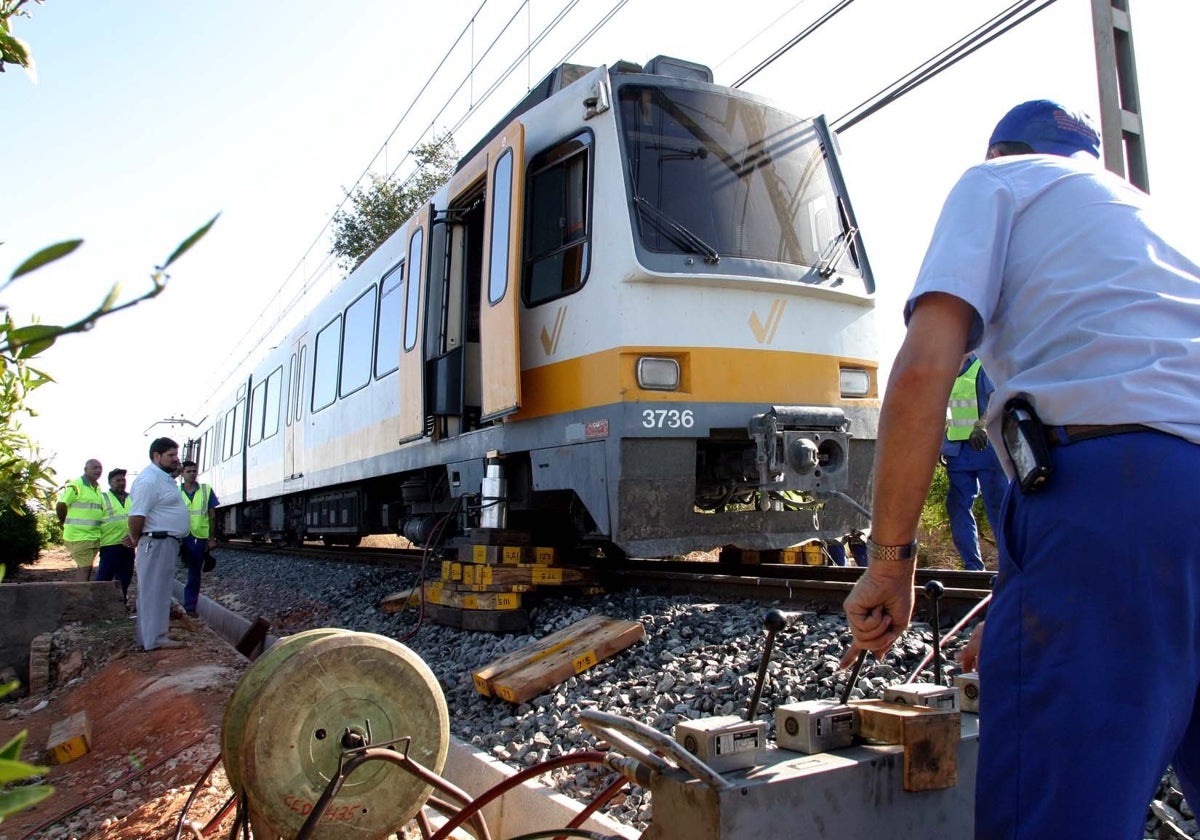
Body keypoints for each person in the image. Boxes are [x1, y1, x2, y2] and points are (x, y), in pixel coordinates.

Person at [839, 99, 1200, 839]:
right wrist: (1016, 601)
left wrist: (890, 561)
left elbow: (921, 376)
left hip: (1120, 498)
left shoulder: (999, 183)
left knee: (1059, 817)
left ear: (1002, 149)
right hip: (1153, 495)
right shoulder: (1154, 220)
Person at [942, 353, 1007, 570]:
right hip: (958, 451)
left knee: (998, 507)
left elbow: (997, 395)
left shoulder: (982, 365)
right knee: (957, 506)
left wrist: (983, 425)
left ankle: (1011, 564)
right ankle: (972, 567)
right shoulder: (945, 367)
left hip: (985, 447)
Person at [124, 438, 191, 651]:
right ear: (156, 456)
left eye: (176, 454)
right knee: (156, 591)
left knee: (155, 590)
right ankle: (156, 639)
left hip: (162, 542)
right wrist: (136, 539)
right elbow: (136, 516)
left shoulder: (161, 478)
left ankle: (149, 638)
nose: (176, 459)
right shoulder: (149, 480)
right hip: (156, 541)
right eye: (171, 455)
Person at [178, 460, 219, 617]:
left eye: (194, 471)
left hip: (198, 537)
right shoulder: (176, 492)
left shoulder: (206, 490)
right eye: (188, 471)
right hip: (181, 536)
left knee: (194, 573)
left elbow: (212, 515)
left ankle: (190, 607)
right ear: (182, 473)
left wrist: (211, 538)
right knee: (174, 570)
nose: (192, 474)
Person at [55, 458, 105, 581]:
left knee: (86, 568)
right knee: (85, 569)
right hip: (78, 536)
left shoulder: (97, 487)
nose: (98, 470)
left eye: (100, 468)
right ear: (85, 469)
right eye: (94, 467)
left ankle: (81, 595)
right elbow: (61, 505)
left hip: (92, 536)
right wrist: (63, 521)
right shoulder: (77, 485)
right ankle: (80, 597)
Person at [96, 468, 135, 604]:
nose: (121, 483)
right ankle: (100, 604)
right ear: (110, 482)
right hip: (109, 544)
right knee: (104, 577)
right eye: (117, 480)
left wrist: (133, 536)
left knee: (125, 577)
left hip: (128, 544)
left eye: (123, 480)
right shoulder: (103, 498)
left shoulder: (132, 498)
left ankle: (120, 603)